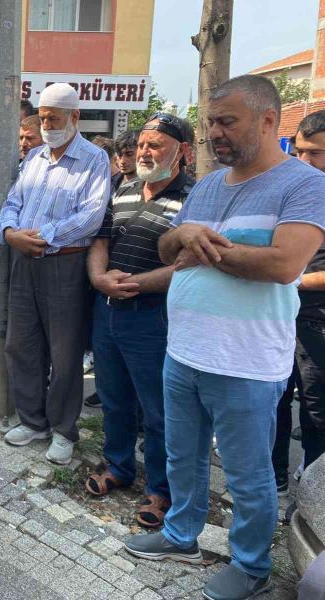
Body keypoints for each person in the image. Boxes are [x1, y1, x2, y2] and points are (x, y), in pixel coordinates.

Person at [125, 75, 325, 600]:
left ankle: (253, 564)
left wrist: (207, 250)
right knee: (181, 455)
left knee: (247, 471)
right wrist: (184, 235)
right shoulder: (210, 185)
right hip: (184, 348)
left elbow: (284, 265)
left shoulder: (304, 184)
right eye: (210, 121)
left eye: (226, 121)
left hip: (246, 361)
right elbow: (169, 251)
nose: (214, 132)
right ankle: (180, 534)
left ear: (267, 120)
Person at [85, 113, 193, 528]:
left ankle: (162, 491)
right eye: (143, 145)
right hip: (108, 311)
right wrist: (99, 279)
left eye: (157, 145)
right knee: (114, 399)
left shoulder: (193, 198)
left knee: (158, 410)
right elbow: (101, 240)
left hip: (154, 317)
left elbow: (190, 263)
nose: (146, 152)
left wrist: (137, 284)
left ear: (182, 152)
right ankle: (118, 468)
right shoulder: (123, 188)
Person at [0, 83, 110, 464]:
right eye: (43, 118)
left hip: (65, 264)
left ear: (75, 117)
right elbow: (13, 202)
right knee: (21, 344)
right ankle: (33, 420)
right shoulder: (34, 159)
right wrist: (11, 234)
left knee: (64, 354)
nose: (47, 126)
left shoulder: (94, 159)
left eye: (54, 119)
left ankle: (63, 429)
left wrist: (42, 237)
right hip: (23, 261)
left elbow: (92, 217)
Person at [272, 109, 325, 496]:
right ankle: (271, 475)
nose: (304, 161)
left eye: (316, 154)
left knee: (314, 409)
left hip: (315, 320)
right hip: (276, 313)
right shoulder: (292, 191)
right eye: (300, 151)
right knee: (271, 397)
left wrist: (289, 277)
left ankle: (312, 490)